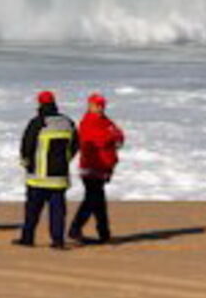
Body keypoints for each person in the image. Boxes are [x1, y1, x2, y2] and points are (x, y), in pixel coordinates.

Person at [13, 90, 78, 249]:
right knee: (57, 212)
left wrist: (26, 163)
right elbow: (75, 145)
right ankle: (57, 241)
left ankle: (27, 238)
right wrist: (65, 161)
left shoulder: (38, 122)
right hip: (59, 177)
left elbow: (27, 145)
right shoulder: (67, 122)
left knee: (32, 211)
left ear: (40, 104)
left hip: (38, 176)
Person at [69, 93, 125, 244]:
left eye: (102, 105)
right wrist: (111, 137)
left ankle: (102, 234)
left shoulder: (106, 121)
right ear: (90, 105)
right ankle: (77, 229)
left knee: (97, 201)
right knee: (93, 200)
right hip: (91, 167)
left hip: (104, 167)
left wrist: (113, 137)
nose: (100, 108)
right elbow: (98, 140)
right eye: (97, 105)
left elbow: (119, 135)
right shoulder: (88, 121)